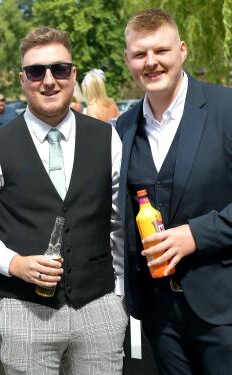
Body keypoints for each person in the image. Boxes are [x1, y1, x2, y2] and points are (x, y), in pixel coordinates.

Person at [0, 27, 127, 374]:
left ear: (73, 75)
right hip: (23, 313)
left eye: (59, 69)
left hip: (98, 305)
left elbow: (118, 222)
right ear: (23, 80)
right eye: (37, 71)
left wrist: (118, 293)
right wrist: (14, 264)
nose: (48, 80)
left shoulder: (107, 137)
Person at [116, 8, 232, 375]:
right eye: (140, 54)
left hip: (225, 307)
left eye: (161, 51)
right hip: (158, 314)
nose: (151, 63)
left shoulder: (226, 108)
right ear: (128, 60)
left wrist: (195, 235)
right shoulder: (123, 126)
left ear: (182, 51)